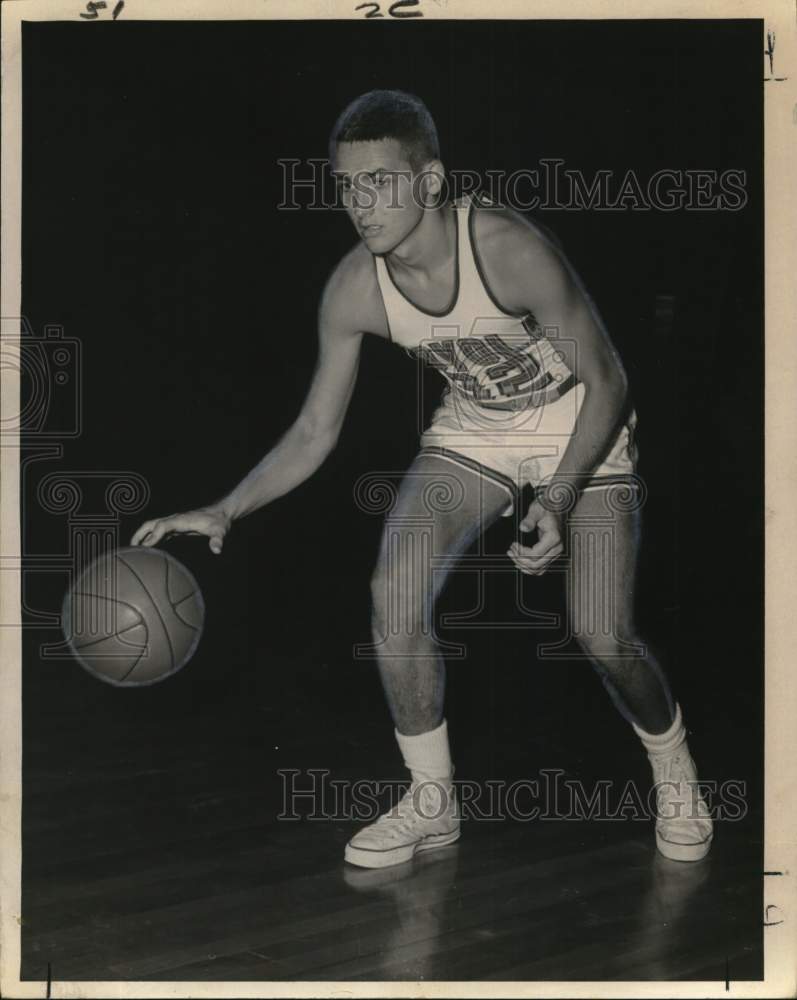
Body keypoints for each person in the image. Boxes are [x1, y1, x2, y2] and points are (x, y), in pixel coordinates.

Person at [131, 89, 713, 869]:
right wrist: (226, 508)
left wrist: (560, 497)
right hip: (476, 432)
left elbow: (607, 382)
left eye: (378, 182)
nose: (358, 204)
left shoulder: (507, 248)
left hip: (582, 430)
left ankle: (673, 771)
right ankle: (431, 801)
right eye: (345, 186)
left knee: (601, 633)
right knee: (392, 593)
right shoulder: (353, 290)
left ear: (430, 182)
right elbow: (314, 430)